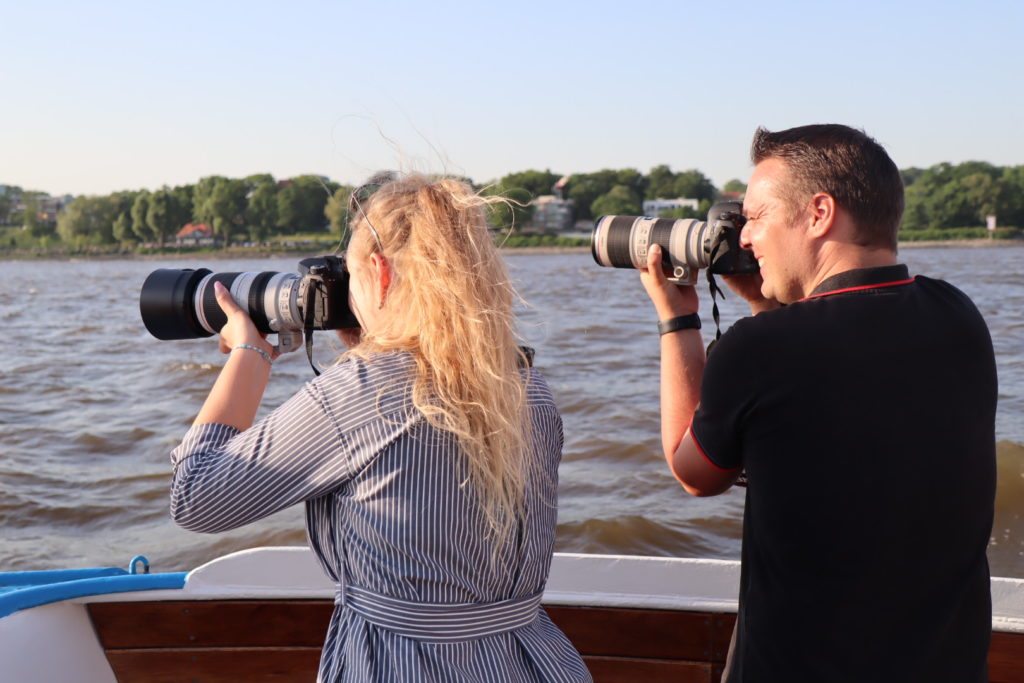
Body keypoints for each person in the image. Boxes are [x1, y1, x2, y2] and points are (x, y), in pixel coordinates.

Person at [169, 172, 591, 682]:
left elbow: (196, 498)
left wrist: (250, 352)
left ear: (379, 272)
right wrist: (369, 340)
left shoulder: (362, 391)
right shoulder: (525, 384)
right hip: (534, 661)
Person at [640, 124, 997, 682]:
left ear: (818, 212)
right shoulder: (959, 316)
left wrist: (677, 317)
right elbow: (832, 379)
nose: (746, 238)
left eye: (755, 216)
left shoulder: (759, 350)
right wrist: (767, 303)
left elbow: (694, 473)